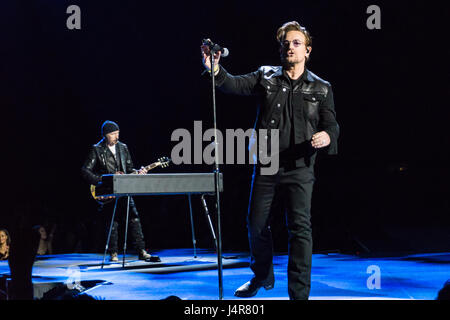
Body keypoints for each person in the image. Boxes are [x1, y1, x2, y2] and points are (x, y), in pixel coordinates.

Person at [201, 21, 339, 300]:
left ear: (307, 51)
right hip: (267, 165)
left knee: (300, 229)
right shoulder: (266, 76)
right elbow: (234, 84)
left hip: (300, 167)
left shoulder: (322, 88)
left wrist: (326, 136)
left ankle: (299, 296)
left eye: (296, 43)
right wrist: (214, 69)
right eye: (285, 43)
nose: (290, 47)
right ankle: (262, 275)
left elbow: (332, 125)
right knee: (255, 224)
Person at [81, 120, 160, 263]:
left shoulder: (123, 148)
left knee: (134, 218)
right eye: (113, 134)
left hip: (124, 190)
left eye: (117, 133)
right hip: (108, 191)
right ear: (105, 135)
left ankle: (141, 250)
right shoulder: (97, 149)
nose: (116, 136)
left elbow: (129, 170)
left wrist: (139, 172)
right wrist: (102, 181)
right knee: (113, 222)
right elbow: (85, 171)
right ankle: (113, 253)